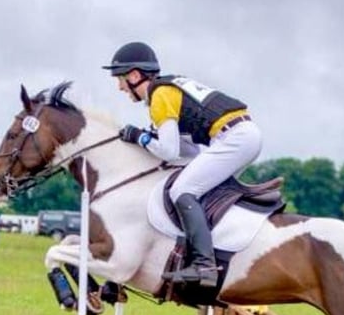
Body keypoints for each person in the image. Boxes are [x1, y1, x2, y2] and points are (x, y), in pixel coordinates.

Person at [102, 41, 262, 287]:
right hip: (240, 135)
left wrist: (140, 137)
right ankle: (211, 255)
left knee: (182, 190)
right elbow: (188, 152)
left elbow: (168, 150)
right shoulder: (167, 88)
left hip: (234, 138)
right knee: (198, 190)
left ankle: (204, 265)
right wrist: (149, 138)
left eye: (120, 78)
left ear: (135, 75)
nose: (120, 86)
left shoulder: (159, 95)